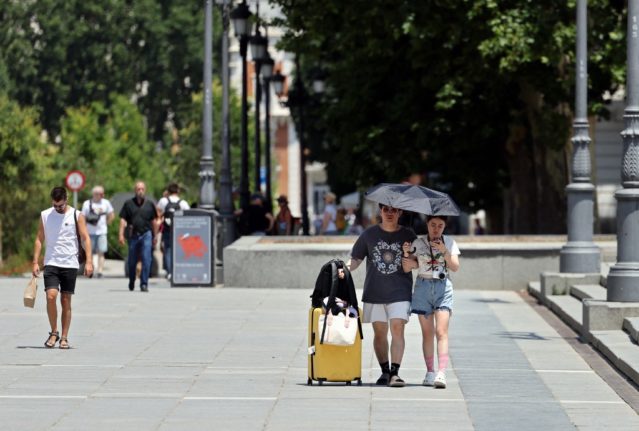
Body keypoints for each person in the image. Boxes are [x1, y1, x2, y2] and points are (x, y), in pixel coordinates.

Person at [345, 203, 417, 387]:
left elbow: (415, 263)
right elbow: (356, 259)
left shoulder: (409, 235)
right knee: (379, 333)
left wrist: (409, 256)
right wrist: (343, 268)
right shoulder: (369, 234)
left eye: (394, 210)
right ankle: (384, 371)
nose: (390, 213)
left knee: (397, 327)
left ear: (400, 212)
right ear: (381, 211)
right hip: (375, 291)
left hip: (400, 290)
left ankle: (395, 373)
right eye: (386, 209)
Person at [402, 215, 460, 389]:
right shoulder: (418, 243)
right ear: (427, 224)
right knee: (427, 333)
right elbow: (407, 267)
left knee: (441, 331)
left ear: (444, 227)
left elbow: (455, 266)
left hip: (443, 288)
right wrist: (406, 254)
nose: (436, 229)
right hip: (423, 287)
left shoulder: (449, 242)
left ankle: (441, 373)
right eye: (433, 224)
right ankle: (430, 371)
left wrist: (444, 251)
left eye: (440, 226)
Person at [32, 186, 93, 349]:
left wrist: (89, 262)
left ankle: (64, 337)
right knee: (50, 296)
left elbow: (85, 238)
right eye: (55, 205)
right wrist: (35, 262)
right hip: (51, 262)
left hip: (70, 263)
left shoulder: (76, 215)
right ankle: (54, 332)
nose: (58, 208)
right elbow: (39, 239)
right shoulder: (45, 215)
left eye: (60, 205)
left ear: (66, 199)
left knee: (66, 300)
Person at [118, 181, 159, 292]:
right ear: (135, 190)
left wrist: (155, 236)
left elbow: (154, 221)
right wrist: (121, 234)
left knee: (147, 259)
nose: (140, 191)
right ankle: (132, 280)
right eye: (138, 189)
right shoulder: (128, 204)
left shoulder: (150, 204)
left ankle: (144, 284)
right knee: (132, 261)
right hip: (133, 235)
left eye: (142, 189)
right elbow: (123, 220)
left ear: (144, 190)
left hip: (147, 234)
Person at [157, 183, 190, 280]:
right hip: (180, 231)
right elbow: (188, 215)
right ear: (178, 191)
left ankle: (169, 272)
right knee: (179, 250)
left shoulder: (163, 201)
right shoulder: (183, 203)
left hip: (167, 230)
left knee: (167, 250)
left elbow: (157, 213)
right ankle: (178, 270)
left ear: (168, 191)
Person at [81, 185, 114, 278]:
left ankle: (100, 271)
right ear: (94, 194)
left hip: (102, 232)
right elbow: (82, 217)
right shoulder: (87, 204)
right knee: (89, 253)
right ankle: (91, 269)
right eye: (100, 194)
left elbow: (111, 214)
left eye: (102, 193)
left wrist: (107, 223)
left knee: (101, 252)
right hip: (89, 232)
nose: (102, 195)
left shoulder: (106, 203)